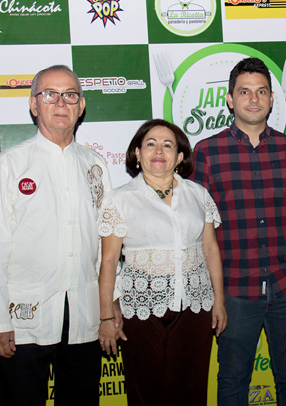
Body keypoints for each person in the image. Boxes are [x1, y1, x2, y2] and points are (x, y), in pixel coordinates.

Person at [191, 57, 286, 405]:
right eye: (244, 91)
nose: (253, 99)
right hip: (233, 291)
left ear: (272, 99)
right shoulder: (207, 152)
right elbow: (197, 227)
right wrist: (215, 290)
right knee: (233, 379)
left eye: (261, 91)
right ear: (230, 99)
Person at [0, 65, 112, 406]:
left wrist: (109, 307)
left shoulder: (95, 165)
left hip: (83, 314)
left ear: (81, 106)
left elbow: (107, 245)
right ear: (33, 105)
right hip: (24, 316)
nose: (61, 103)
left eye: (70, 95)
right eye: (50, 94)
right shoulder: (10, 164)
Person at [97, 119, 227, 405]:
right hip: (141, 308)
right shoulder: (120, 199)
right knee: (146, 392)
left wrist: (219, 302)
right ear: (137, 153)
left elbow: (210, 249)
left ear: (179, 157)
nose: (159, 151)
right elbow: (108, 260)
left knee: (191, 391)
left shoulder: (198, 195)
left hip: (195, 306)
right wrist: (106, 316)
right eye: (151, 144)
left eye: (168, 145)